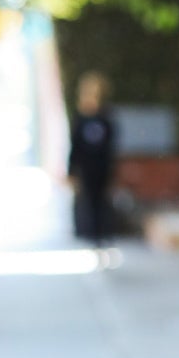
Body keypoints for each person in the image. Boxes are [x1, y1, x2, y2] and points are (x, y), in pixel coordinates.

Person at [67, 72, 116, 243]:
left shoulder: (106, 116)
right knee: (87, 201)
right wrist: (71, 170)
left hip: (102, 167)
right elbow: (75, 145)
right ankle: (89, 234)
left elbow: (111, 144)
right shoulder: (80, 118)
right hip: (85, 167)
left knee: (102, 200)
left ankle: (103, 234)